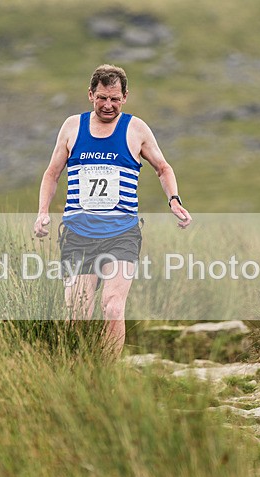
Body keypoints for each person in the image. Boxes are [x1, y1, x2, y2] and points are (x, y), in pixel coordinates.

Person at [34, 64, 191, 356]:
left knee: (113, 307)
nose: (108, 105)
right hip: (78, 235)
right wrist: (43, 211)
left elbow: (163, 168)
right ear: (91, 95)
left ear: (125, 97)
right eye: (103, 98)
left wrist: (174, 200)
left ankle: (109, 376)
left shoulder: (136, 129)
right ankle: (78, 371)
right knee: (78, 312)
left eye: (115, 99)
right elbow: (52, 173)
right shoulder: (72, 127)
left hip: (122, 234)